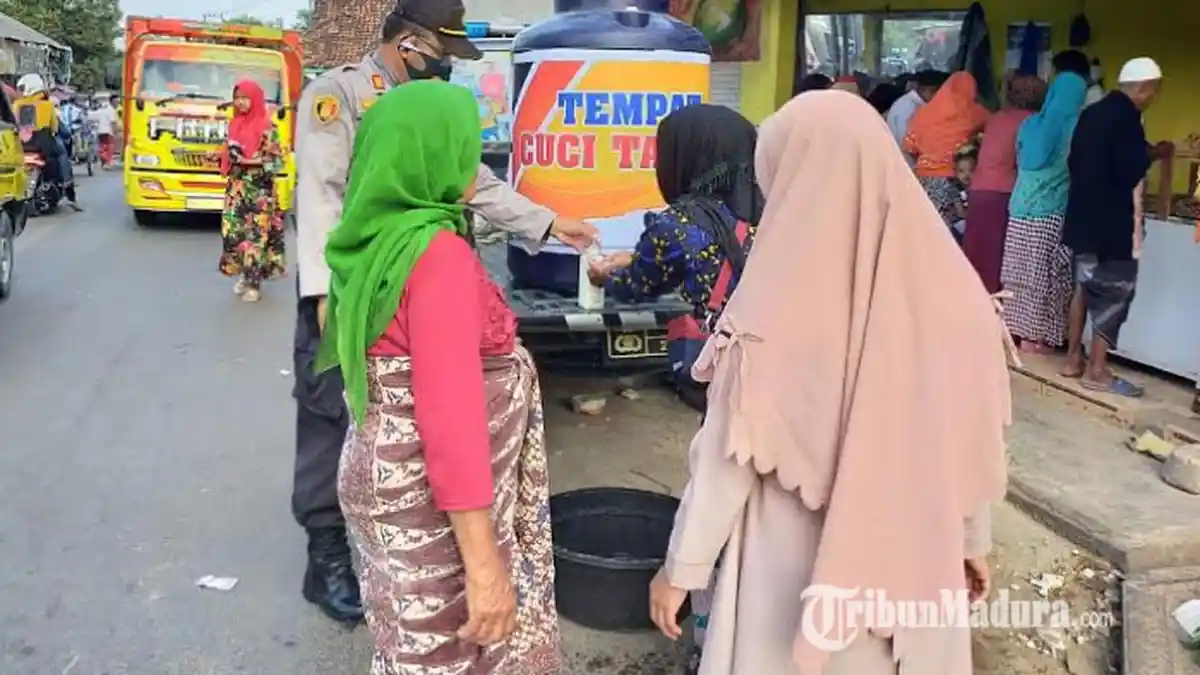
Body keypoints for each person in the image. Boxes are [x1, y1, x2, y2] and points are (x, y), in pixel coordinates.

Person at [647, 90, 1010, 675]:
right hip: (918, 553)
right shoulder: (957, 293)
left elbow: (725, 459)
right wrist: (969, 540)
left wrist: (681, 568)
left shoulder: (775, 301)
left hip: (792, 572)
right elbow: (966, 438)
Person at [292, 0, 597, 624]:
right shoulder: (338, 94)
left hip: (418, 279)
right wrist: (324, 294)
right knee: (333, 414)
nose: (448, 67)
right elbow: (321, 194)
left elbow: (470, 181)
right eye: (443, 53)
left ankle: (401, 544)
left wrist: (546, 222)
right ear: (409, 43)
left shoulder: (430, 108)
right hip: (357, 285)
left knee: (410, 416)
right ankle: (327, 555)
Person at [319, 80, 560, 674]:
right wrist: (484, 568)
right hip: (432, 501)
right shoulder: (435, 255)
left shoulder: (370, 239)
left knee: (413, 646)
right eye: (463, 147)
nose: (473, 165)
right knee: (456, 652)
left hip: (385, 477)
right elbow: (449, 419)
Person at [587, 103, 762, 410]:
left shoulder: (677, 225)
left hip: (726, 367)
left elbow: (638, 286)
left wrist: (604, 278)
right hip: (781, 360)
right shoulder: (778, 211)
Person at [1061, 57, 1164, 396]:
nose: (1153, 98)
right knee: (1114, 291)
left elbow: (1074, 160)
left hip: (1082, 217)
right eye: (1154, 91)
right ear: (1143, 88)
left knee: (1083, 286)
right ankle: (1097, 370)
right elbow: (1129, 168)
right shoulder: (1128, 118)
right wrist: (1156, 154)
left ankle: (1072, 359)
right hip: (1113, 223)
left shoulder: (1091, 113)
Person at [1000, 72, 1085, 354]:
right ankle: (1041, 338)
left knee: (1019, 271)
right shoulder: (1076, 128)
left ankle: (1018, 331)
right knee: (1049, 274)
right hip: (1052, 210)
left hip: (1020, 208)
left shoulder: (1029, 124)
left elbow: (1020, 159)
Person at [962, 74, 1045, 293]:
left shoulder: (997, 117)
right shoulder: (1032, 121)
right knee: (996, 253)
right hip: (1003, 193)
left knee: (977, 250)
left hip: (979, 189)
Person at [216, 80, 286, 303]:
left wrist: (252, 161)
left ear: (255, 99)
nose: (240, 102)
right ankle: (244, 275)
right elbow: (228, 151)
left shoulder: (267, 126)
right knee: (233, 234)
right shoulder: (234, 124)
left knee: (256, 237)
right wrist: (221, 156)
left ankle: (254, 283)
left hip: (258, 192)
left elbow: (276, 162)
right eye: (237, 98)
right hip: (236, 190)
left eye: (245, 98)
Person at [903, 72, 990, 226]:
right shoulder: (974, 113)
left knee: (928, 227)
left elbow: (909, 147)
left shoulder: (922, 113)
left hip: (923, 181)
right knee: (953, 229)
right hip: (955, 180)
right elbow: (995, 129)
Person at [14, 74, 81, 211]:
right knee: (62, 154)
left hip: (20, 146)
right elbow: (54, 127)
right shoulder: (47, 105)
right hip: (42, 146)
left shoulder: (17, 105)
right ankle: (68, 187)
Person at [886, 70, 945, 161]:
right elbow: (905, 142)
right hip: (904, 162)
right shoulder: (909, 107)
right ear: (924, 90)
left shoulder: (914, 104)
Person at [89, 97, 119, 168]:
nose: (117, 103)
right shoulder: (112, 110)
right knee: (110, 147)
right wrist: (115, 132)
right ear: (111, 101)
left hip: (101, 131)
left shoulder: (102, 110)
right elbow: (113, 122)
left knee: (103, 147)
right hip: (109, 131)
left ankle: (104, 162)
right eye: (116, 101)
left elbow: (92, 117)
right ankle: (107, 162)